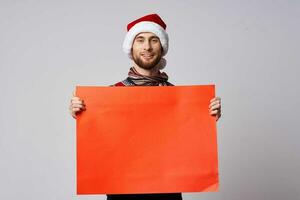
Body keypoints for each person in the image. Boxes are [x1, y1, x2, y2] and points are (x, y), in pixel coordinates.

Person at [69, 13, 221, 200]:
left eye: (154, 40)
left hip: (167, 193)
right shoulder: (109, 96)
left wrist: (206, 115)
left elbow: (191, 148)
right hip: (121, 193)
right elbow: (99, 140)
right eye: (140, 40)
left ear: (162, 47)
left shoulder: (181, 99)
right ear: (131, 47)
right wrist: (82, 113)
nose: (147, 47)